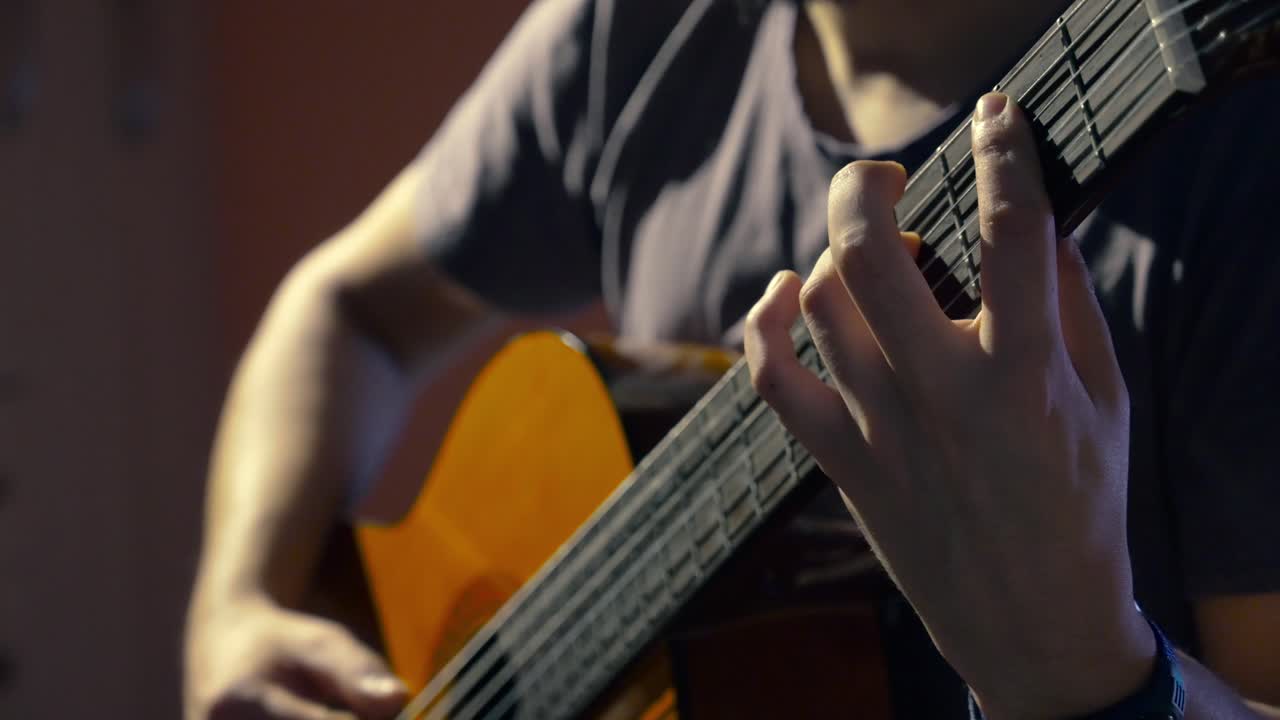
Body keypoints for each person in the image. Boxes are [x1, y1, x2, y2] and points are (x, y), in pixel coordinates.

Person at [183, 0, 1280, 717]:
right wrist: (234, 606)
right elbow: (345, 312)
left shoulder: (1238, 155)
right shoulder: (639, 33)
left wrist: (1086, 677)